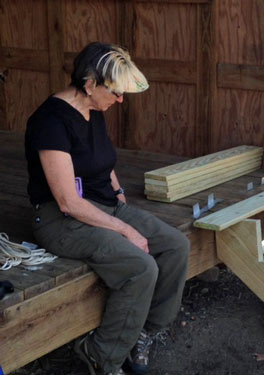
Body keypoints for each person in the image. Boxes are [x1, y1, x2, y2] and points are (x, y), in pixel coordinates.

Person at [25, 42, 190, 375]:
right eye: (116, 92)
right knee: (140, 267)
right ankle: (101, 355)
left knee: (176, 245)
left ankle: (143, 331)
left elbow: (101, 161)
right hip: (60, 219)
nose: (121, 100)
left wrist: (119, 195)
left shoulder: (95, 109)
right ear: (89, 85)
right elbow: (68, 201)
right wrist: (127, 229)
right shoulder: (51, 122)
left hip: (104, 205)